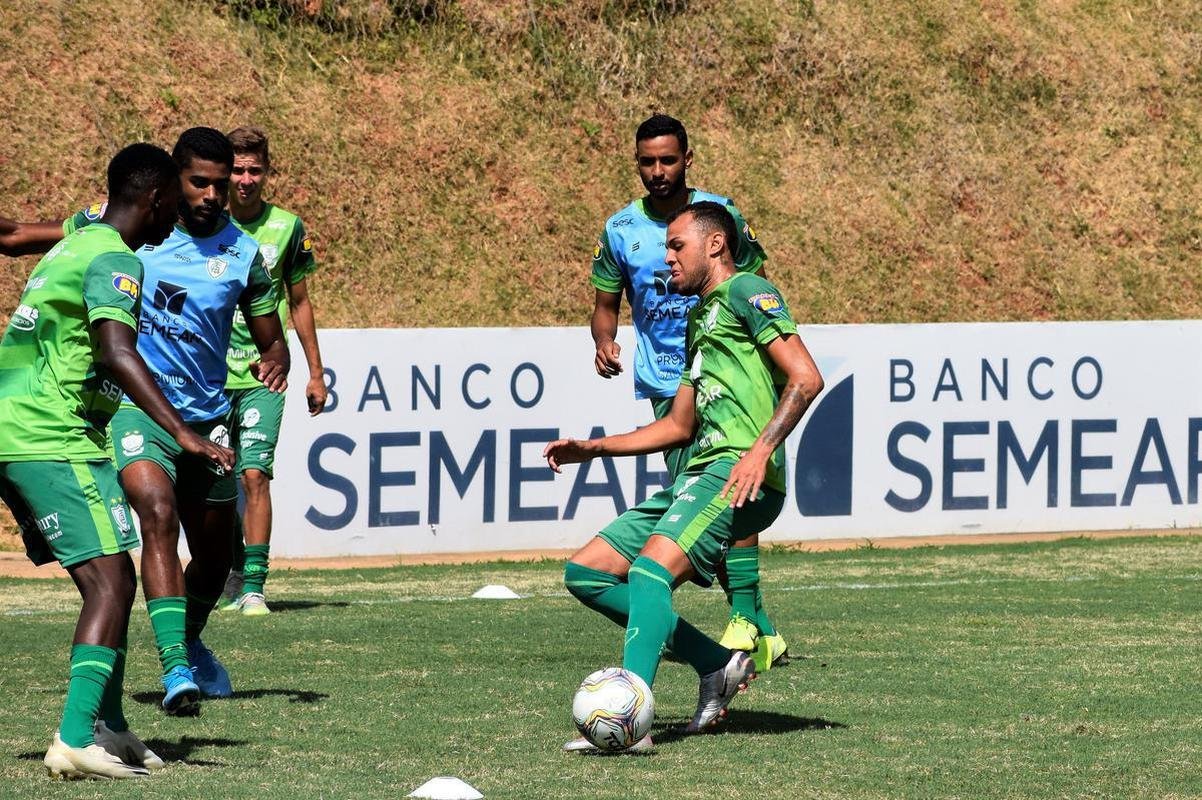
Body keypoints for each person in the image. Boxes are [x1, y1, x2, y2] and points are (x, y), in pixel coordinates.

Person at [3, 127, 290, 716]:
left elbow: (270, 335)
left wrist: (278, 357)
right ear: (170, 186)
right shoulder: (125, 232)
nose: (212, 195)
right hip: (140, 411)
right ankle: (174, 669)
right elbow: (19, 236)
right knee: (155, 514)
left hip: (205, 416)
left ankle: (186, 638)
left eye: (219, 183)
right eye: (199, 183)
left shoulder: (245, 255)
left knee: (215, 556)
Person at [549, 201, 824, 751]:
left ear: (715, 245)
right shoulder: (700, 318)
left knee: (650, 574)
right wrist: (594, 447)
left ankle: (631, 719)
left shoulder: (749, 292)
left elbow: (806, 377)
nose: (665, 258)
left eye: (676, 246)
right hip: (696, 472)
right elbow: (678, 424)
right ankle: (716, 664)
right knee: (588, 574)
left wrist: (758, 452)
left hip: (734, 472)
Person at [588, 113, 786, 669]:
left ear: (687, 159)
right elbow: (606, 308)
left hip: (725, 381)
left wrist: (762, 356)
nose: (657, 171)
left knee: (718, 487)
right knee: (697, 497)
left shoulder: (714, 218)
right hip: (667, 383)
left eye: (667, 160)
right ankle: (742, 631)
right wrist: (604, 343)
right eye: (647, 161)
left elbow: (756, 286)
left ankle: (747, 619)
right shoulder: (621, 229)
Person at [217, 125, 325, 616]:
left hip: (266, 373)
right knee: (218, 483)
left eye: (254, 170)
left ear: (267, 172)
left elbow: (299, 301)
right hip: (208, 375)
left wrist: (315, 372)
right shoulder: (203, 223)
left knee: (255, 474)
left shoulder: (287, 227)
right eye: (237, 170)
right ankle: (231, 574)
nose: (245, 179)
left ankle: (255, 586)